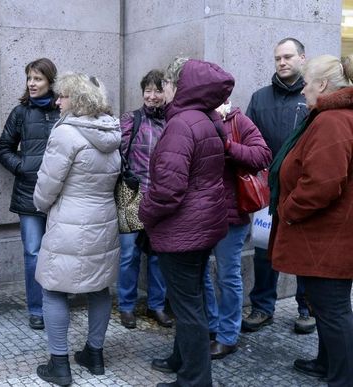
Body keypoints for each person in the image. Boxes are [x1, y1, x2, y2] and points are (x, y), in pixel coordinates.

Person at [141, 57, 233, 387]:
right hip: (201, 226)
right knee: (190, 300)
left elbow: (168, 189)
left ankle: (193, 380)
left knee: (188, 307)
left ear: (180, 86)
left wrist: (144, 213)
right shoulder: (206, 119)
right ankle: (180, 360)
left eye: (166, 83)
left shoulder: (182, 124)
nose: (163, 89)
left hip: (183, 230)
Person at [269, 54, 353, 387]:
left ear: (321, 85)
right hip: (328, 237)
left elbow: (322, 184)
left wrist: (287, 210)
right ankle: (326, 363)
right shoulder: (332, 117)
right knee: (327, 306)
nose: (303, 88)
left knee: (333, 311)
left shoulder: (332, 121)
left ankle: (342, 377)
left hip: (328, 239)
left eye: (307, 82)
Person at [33, 72, 121, 386]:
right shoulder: (111, 131)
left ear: (78, 100)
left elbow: (47, 185)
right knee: (98, 288)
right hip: (104, 220)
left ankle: (59, 366)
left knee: (53, 288)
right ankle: (94, 355)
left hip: (69, 221)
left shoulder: (66, 134)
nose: (58, 101)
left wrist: (40, 205)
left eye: (63, 96)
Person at [243, 37, 314, 334]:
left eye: (287, 57)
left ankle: (307, 308)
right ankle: (262, 307)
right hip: (268, 192)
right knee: (263, 251)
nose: (282, 62)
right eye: (277, 58)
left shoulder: (312, 98)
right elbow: (249, 140)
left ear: (302, 58)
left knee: (305, 251)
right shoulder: (259, 99)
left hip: (303, 189)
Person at [203, 100, 272, 360]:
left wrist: (228, 145)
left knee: (227, 275)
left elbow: (262, 155)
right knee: (199, 273)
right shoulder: (195, 117)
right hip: (200, 213)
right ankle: (211, 324)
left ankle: (228, 335)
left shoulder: (237, 120)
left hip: (232, 215)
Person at [0, 58, 60, 330]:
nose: (31, 84)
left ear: (50, 82)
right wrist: (22, 167)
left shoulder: (64, 110)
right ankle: (37, 309)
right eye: (29, 78)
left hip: (59, 195)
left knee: (57, 251)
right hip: (28, 194)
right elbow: (4, 148)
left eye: (37, 79)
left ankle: (57, 301)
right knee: (33, 252)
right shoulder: (20, 112)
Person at [117, 69, 172, 329]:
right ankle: (126, 306)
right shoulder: (131, 119)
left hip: (161, 197)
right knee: (129, 253)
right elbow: (117, 154)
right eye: (148, 90)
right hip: (132, 195)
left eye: (157, 90)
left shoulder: (173, 122)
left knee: (158, 254)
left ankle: (156, 305)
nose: (152, 96)